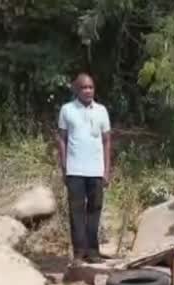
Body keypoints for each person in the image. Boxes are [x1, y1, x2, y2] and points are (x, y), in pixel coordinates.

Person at [57, 73, 112, 264]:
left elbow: (106, 141)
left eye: (91, 87)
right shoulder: (67, 110)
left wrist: (106, 170)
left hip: (96, 170)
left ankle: (93, 251)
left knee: (94, 210)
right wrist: (64, 167)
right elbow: (62, 139)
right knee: (76, 211)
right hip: (75, 170)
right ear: (77, 90)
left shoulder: (102, 111)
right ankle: (79, 252)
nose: (88, 91)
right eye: (84, 88)